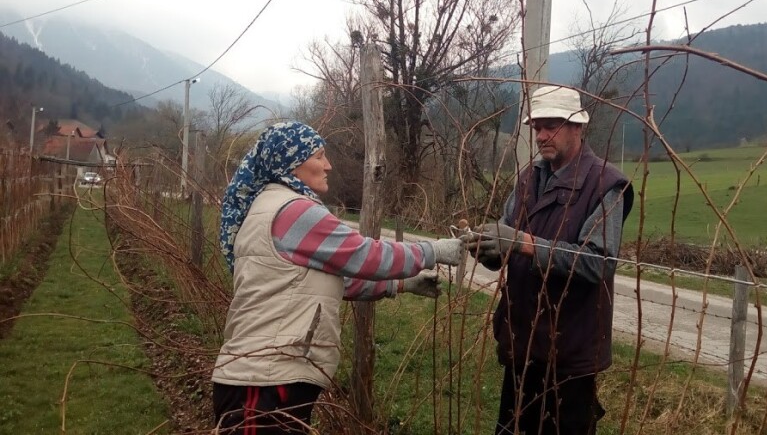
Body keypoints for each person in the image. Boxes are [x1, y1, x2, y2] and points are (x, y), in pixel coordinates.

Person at [213, 121, 463, 434]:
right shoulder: (293, 211)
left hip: (266, 375)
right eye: (319, 156)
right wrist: (433, 251)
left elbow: (325, 280)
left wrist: (401, 284)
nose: (328, 165)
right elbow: (364, 256)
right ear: (292, 162)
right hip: (263, 380)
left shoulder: (269, 206)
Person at [464, 86, 634, 435]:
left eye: (551, 126)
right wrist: (488, 250)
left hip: (569, 354)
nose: (541, 135)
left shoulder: (606, 185)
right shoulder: (527, 180)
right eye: (536, 126)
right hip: (522, 345)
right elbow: (508, 245)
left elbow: (599, 262)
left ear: (577, 127)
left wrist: (524, 243)